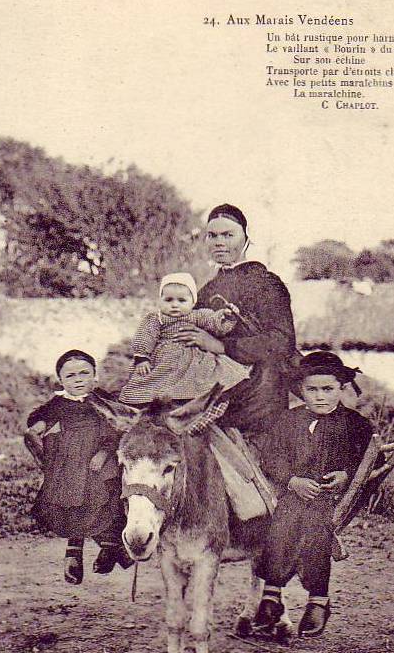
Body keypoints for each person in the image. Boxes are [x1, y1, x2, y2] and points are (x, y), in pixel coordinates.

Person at [254, 351, 374, 637]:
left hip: (332, 496)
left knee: (316, 525)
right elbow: (270, 457)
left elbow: (370, 460)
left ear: (341, 389)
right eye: (312, 390)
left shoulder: (356, 425)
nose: (320, 397)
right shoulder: (288, 421)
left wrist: (346, 475)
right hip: (294, 491)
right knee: (280, 524)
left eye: (328, 389)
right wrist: (292, 480)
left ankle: (318, 598)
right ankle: (272, 594)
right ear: (301, 390)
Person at [172, 204, 297, 445]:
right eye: (213, 236)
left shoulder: (266, 283)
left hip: (260, 398)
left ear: (246, 239)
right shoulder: (206, 291)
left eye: (228, 235)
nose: (219, 242)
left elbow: (281, 342)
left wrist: (221, 346)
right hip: (215, 396)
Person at [25, 349, 131, 585]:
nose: (79, 379)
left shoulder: (103, 399)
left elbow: (118, 427)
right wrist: (39, 427)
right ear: (61, 381)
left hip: (102, 456)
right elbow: (41, 419)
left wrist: (103, 453)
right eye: (71, 376)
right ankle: (75, 550)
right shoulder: (59, 403)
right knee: (73, 501)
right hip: (72, 460)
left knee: (104, 499)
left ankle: (110, 546)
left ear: (95, 376)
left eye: (85, 373)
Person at [119, 272, 250, 406]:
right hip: (164, 357)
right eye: (168, 300)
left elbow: (214, 323)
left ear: (193, 302)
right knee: (151, 381)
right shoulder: (157, 318)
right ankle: (148, 401)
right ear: (160, 300)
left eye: (182, 300)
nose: (175, 305)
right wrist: (142, 358)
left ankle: (188, 399)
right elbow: (145, 335)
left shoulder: (197, 315)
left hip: (191, 357)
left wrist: (226, 317)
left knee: (205, 375)